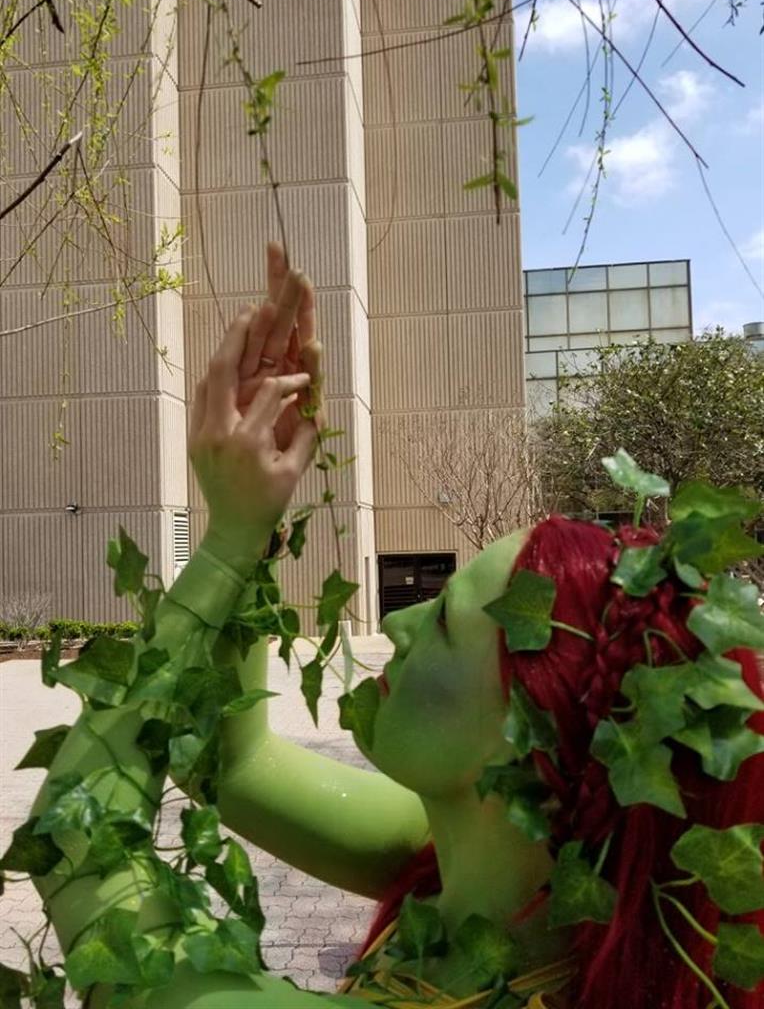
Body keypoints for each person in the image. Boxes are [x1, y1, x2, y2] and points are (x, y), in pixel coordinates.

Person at [21, 245, 764, 1009]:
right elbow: (231, 766)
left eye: (443, 623)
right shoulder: (491, 870)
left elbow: (77, 843)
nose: (401, 621)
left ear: (533, 747)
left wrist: (228, 544)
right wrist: (257, 522)